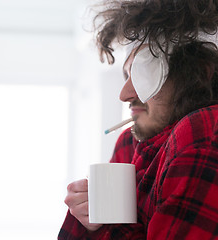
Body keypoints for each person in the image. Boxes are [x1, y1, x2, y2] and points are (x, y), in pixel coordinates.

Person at [58, 0, 218, 239]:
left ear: (199, 74)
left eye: (142, 73)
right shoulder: (130, 144)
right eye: (126, 75)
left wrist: (106, 226)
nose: (124, 95)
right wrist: (89, 218)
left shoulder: (203, 132)